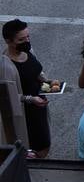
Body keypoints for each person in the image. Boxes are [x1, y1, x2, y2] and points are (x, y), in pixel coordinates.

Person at [3, 20, 50, 157]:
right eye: (21, 39)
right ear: (9, 41)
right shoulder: (6, 66)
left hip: (39, 106)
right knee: (34, 149)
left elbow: (36, 70)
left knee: (45, 143)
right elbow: (8, 96)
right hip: (25, 114)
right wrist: (31, 99)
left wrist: (46, 81)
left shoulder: (28, 50)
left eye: (28, 37)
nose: (27, 41)